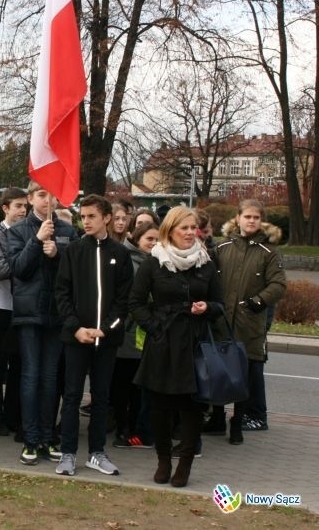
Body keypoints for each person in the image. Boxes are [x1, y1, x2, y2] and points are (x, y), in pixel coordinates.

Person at [129, 206, 223, 488]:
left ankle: (185, 463)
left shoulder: (206, 262)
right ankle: (163, 460)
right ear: (170, 230)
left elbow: (220, 305)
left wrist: (207, 307)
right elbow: (135, 303)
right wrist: (156, 327)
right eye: (184, 228)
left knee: (191, 408)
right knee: (159, 406)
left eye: (193, 228)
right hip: (163, 342)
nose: (190, 233)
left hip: (194, 343)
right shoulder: (154, 262)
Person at [54, 194, 134, 477]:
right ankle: (67, 453)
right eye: (83, 216)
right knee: (73, 395)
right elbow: (61, 293)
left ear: (107, 218)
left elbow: (125, 300)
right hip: (76, 338)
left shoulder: (121, 254)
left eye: (91, 216)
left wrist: (107, 328)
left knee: (102, 397)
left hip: (107, 339)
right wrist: (76, 327)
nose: (85, 221)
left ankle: (97, 453)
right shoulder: (74, 251)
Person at [9, 183, 78, 465]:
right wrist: (37, 241)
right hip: (29, 312)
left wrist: (57, 255)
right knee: (31, 375)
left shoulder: (68, 231)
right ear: (30, 198)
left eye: (51, 195)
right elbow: (19, 270)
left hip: (56, 314)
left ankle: (48, 437)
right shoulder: (18, 231)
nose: (46, 200)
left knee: (50, 377)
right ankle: (30, 438)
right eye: (40, 195)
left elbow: (74, 272)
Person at [213, 200, 286, 444]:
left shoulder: (268, 252)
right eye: (247, 216)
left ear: (261, 220)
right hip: (222, 322)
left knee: (245, 374)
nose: (251, 220)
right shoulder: (222, 247)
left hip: (249, 324)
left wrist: (259, 301)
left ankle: (239, 422)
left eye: (256, 217)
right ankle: (215, 418)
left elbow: (278, 284)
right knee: (219, 372)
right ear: (238, 218)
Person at [110, 222, 159, 449]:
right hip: (128, 334)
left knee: (141, 389)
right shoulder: (129, 261)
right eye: (149, 239)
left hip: (147, 336)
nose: (154, 243)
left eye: (158, 240)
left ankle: (138, 430)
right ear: (137, 239)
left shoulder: (160, 263)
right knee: (123, 387)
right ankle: (123, 430)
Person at [0, 187, 27, 438]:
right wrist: (25, 262)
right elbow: (0, 269)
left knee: (19, 366)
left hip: (22, 309)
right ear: (5, 208)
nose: (23, 210)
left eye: (25, 206)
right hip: (2, 307)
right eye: (18, 206)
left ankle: (13, 415)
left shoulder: (27, 232)